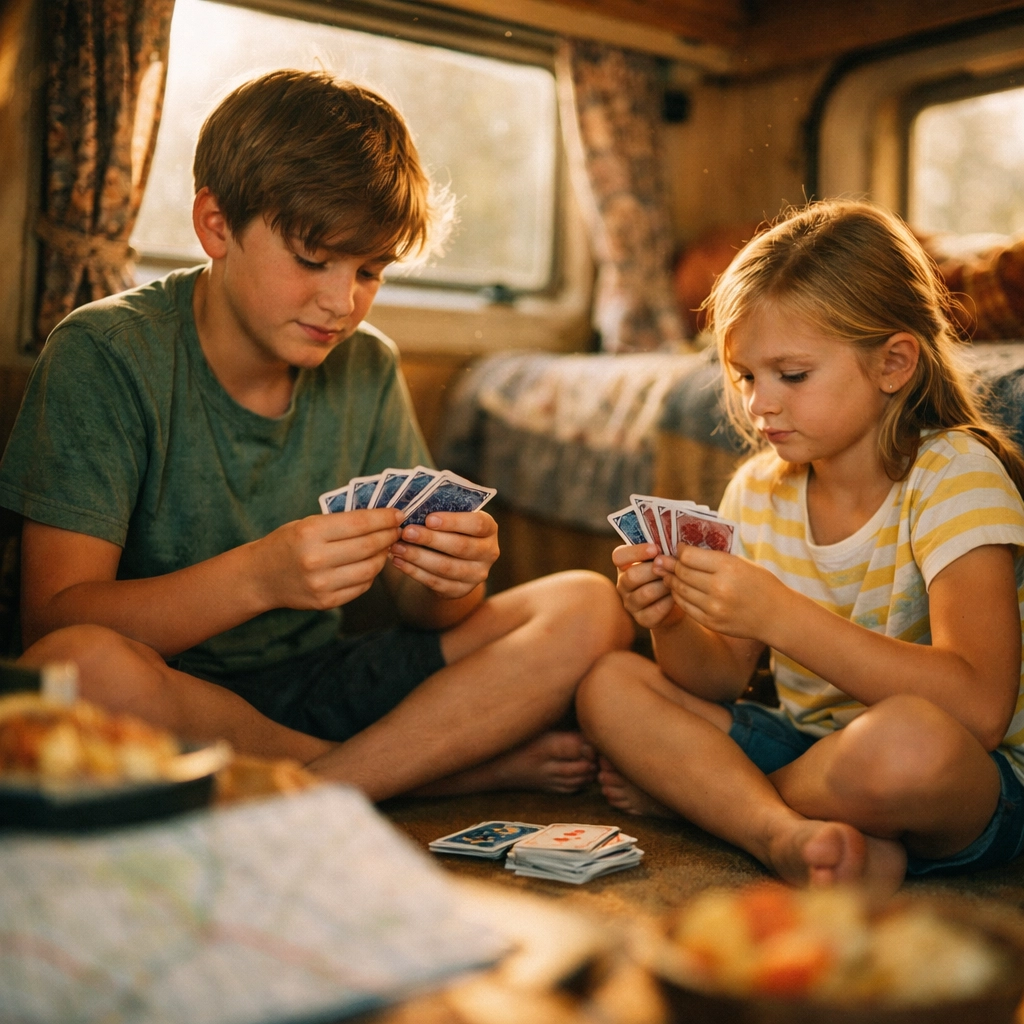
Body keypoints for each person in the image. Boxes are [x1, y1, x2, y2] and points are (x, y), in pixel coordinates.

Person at [0, 69, 634, 801]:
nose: (342, 303)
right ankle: (430, 772)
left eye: (370, 270)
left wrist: (452, 577)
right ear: (216, 226)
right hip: (170, 693)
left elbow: (425, 612)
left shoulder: (367, 367)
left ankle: (324, 783)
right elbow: (50, 620)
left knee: (587, 604)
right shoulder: (106, 353)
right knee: (80, 668)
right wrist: (261, 576)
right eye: (312, 259)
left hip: (325, 682)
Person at [576, 199, 1024, 893]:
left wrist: (779, 616)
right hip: (811, 747)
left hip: (961, 782)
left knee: (909, 741)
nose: (759, 405)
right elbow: (718, 680)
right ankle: (791, 834)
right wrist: (669, 619)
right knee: (610, 682)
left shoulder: (954, 475)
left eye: (792, 375)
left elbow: (979, 710)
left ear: (894, 363)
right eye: (746, 376)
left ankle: (715, 802)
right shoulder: (759, 490)